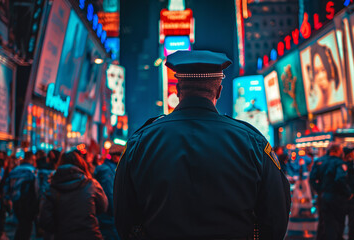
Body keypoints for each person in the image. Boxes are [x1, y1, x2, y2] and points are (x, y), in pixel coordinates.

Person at [114, 50, 291, 239]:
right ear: (219, 91)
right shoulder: (251, 141)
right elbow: (276, 216)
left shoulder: (141, 142)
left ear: (177, 91)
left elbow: (123, 218)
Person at [39, 151, 108, 239]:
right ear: (81, 164)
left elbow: (45, 221)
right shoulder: (92, 185)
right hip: (90, 235)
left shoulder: (51, 188)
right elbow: (103, 207)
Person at [316, 143, 352, 240]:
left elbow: (312, 178)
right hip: (337, 198)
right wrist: (348, 193)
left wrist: (320, 190)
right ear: (337, 151)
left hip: (324, 196)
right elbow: (340, 179)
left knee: (327, 224)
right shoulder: (339, 163)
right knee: (338, 224)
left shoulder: (320, 161)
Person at [4, 151, 39, 240]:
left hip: (16, 201)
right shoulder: (33, 171)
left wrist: (7, 199)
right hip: (29, 202)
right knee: (27, 227)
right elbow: (36, 189)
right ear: (31, 159)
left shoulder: (14, 171)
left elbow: (7, 186)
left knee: (20, 225)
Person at [94, 144, 125, 240]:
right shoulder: (107, 171)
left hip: (107, 216)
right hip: (108, 217)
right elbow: (110, 193)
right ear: (115, 157)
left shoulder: (111, 169)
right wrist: (116, 214)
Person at [306, 43, 342, 111]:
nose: (320, 77)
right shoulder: (315, 108)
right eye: (316, 72)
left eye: (323, 70)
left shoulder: (340, 98)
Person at [341, 146, 354, 240]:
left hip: (351, 197)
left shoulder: (351, 164)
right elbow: (342, 181)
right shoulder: (344, 165)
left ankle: (351, 236)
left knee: (352, 221)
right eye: (351, 153)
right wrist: (350, 193)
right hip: (346, 198)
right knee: (343, 221)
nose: (353, 155)